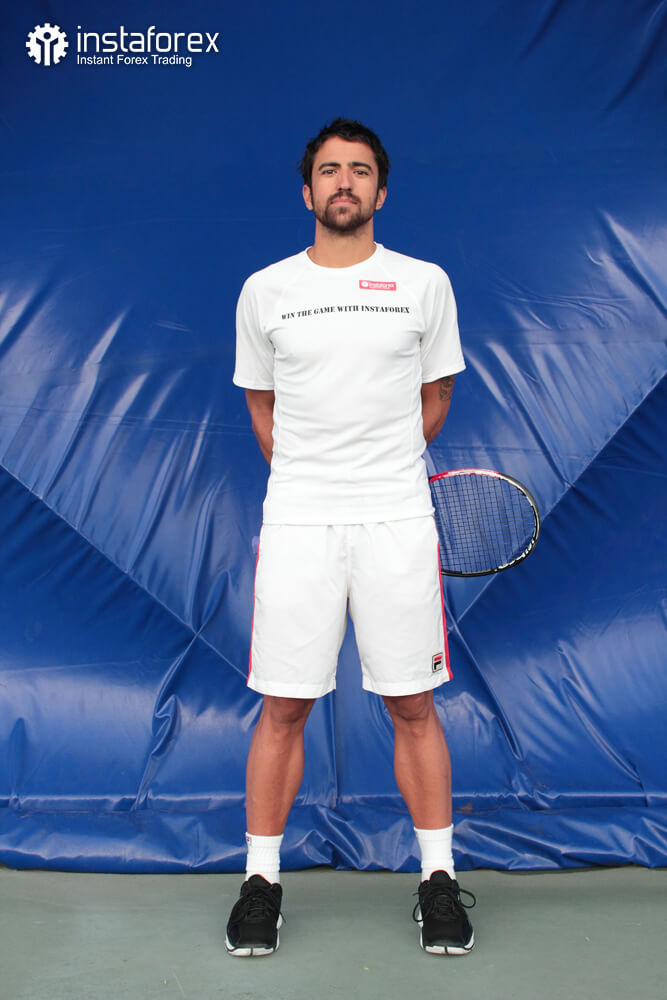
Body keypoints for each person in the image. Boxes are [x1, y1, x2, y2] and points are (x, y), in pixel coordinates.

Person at [227, 117, 475, 957]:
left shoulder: (423, 284)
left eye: (359, 170)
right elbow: (261, 405)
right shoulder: (265, 290)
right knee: (283, 705)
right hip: (298, 519)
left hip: (395, 518)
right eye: (330, 170)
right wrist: (316, 475)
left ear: (380, 191)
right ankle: (260, 883)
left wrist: (378, 468)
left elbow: (434, 397)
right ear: (307, 191)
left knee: (413, 704)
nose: (344, 182)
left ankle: (436, 879)